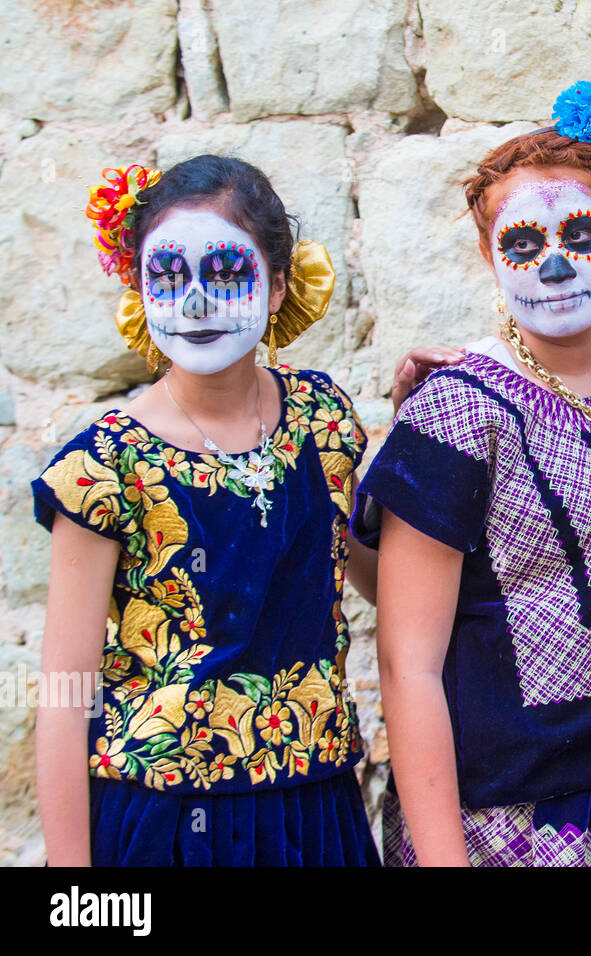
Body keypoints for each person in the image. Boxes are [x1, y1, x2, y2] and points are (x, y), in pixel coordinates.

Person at [352, 83, 591, 867]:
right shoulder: (455, 412)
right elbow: (409, 664)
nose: (551, 264)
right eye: (520, 242)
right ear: (487, 255)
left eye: (581, 235)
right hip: (505, 813)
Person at [33, 156, 379, 866]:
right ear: (137, 286)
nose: (195, 304)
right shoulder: (107, 466)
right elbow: (66, 692)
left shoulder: (324, 420)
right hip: (166, 824)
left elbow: (366, 572)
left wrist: (431, 430)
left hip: (315, 811)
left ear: (279, 285)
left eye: (225, 274)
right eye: (167, 277)